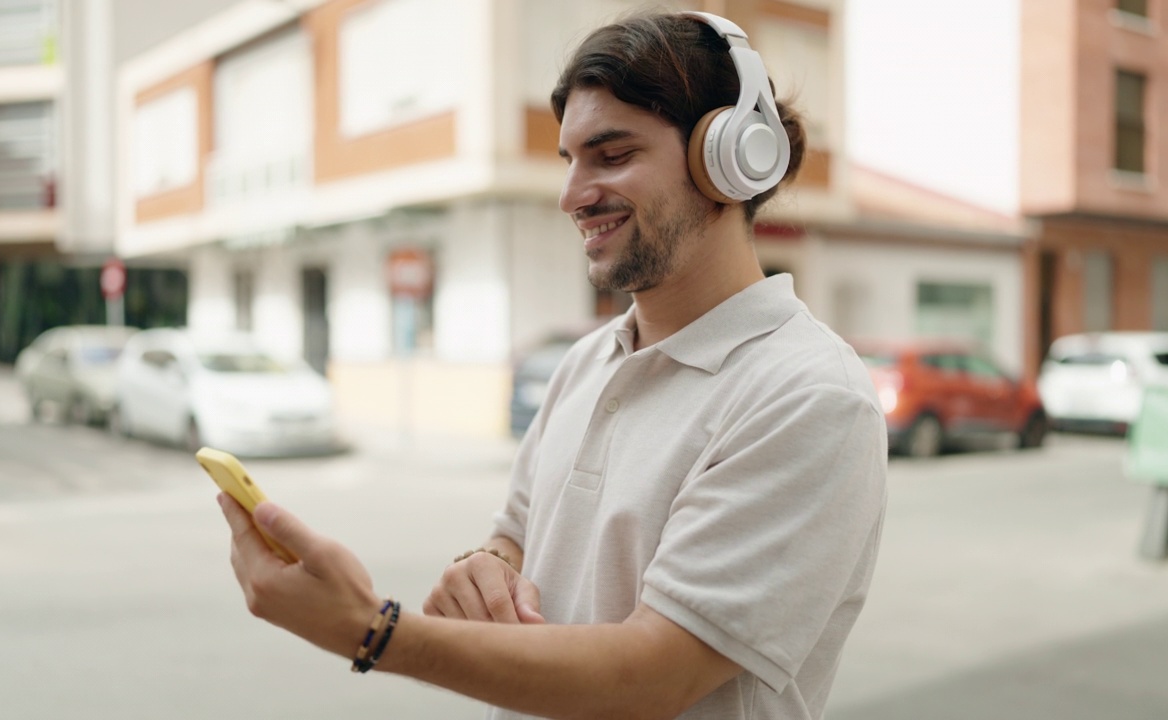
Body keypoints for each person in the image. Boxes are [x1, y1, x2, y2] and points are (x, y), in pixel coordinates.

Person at [218, 10, 887, 719]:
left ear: (727, 158)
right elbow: (516, 536)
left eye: (612, 154)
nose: (572, 195)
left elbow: (657, 673)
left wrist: (372, 630)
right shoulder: (584, 363)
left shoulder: (809, 397)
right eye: (570, 160)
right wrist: (491, 567)